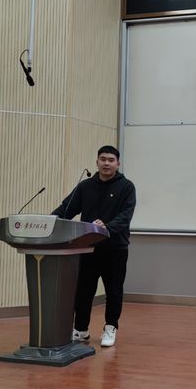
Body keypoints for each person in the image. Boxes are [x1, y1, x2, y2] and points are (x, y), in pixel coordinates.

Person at [52, 145, 136, 347]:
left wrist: (106, 227)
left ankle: (110, 327)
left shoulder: (126, 187)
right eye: (103, 159)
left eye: (111, 160)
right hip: (88, 247)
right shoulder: (85, 186)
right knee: (83, 290)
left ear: (118, 163)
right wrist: (49, 221)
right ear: (97, 162)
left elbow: (125, 216)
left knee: (113, 291)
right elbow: (66, 209)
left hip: (115, 248)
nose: (106, 163)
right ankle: (81, 329)